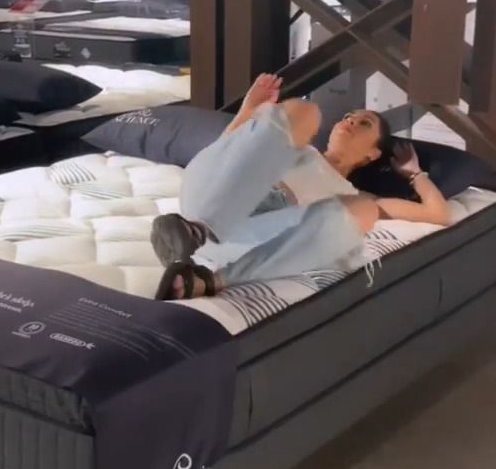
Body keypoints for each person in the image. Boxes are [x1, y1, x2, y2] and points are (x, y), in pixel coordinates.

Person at [151, 73, 450, 301]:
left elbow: (438, 214)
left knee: (364, 211)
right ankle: (197, 232)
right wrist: (249, 108)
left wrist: (413, 173)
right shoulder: (298, 145)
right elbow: (228, 153)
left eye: (364, 123)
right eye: (348, 117)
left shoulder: (352, 194)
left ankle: (207, 280)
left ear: (372, 154)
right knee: (305, 112)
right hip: (210, 203)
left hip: (250, 234)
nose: (349, 122)